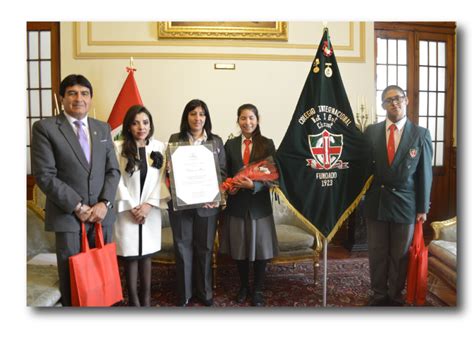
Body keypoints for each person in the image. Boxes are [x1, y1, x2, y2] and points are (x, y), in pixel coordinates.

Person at [31, 74, 120, 306]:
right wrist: (77, 206)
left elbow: (113, 171)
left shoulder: (103, 128)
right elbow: (45, 175)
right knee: (74, 282)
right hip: (69, 217)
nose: (78, 98)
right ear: (62, 98)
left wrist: (104, 204)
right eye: (72, 93)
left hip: (102, 217)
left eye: (84, 93)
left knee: (102, 277)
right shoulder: (45, 128)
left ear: (90, 99)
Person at [363, 85, 433, 306]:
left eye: (398, 98)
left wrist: (422, 208)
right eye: (388, 100)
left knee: (400, 254)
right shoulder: (371, 132)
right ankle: (378, 294)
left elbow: (425, 174)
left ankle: (394, 295)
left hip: (406, 203)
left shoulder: (420, 134)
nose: (394, 103)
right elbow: (363, 168)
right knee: (377, 252)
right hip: (377, 202)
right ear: (383, 106)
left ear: (406, 100)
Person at [167, 99, 226, 307]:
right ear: (186, 117)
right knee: (183, 249)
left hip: (207, 207)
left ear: (206, 118)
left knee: (205, 249)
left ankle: (205, 291)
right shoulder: (175, 139)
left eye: (202, 114)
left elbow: (223, 173)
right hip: (182, 207)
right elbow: (170, 172)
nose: (197, 118)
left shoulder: (216, 141)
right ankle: (184, 293)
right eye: (193, 114)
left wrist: (215, 196)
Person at [220, 104, 279, 307]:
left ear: (257, 119)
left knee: (261, 250)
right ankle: (244, 286)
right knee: (240, 249)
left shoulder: (267, 144)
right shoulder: (230, 144)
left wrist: (254, 185)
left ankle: (258, 289)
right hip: (236, 206)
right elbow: (224, 172)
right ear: (238, 120)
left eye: (251, 118)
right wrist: (229, 187)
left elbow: (274, 176)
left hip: (258, 206)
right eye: (243, 118)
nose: (248, 122)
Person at [113, 105, 170, 306]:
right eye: (135, 123)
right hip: (127, 211)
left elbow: (162, 180)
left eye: (145, 122)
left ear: (150, 125)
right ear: (128, 126)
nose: (141, 127)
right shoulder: (118, 147)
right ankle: (134, 302)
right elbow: (116, 179)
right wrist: (131, 205)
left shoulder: (160, 147)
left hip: (149, 211)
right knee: (130, 256)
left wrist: (148, 205)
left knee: (146, 255)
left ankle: (146, 300)